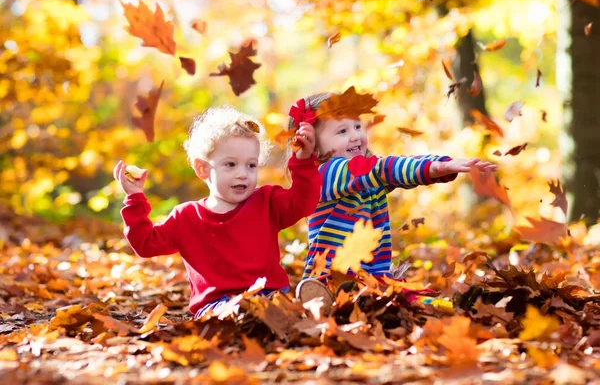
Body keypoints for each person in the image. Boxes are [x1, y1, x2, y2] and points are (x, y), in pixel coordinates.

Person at [288, 93, 497, 312]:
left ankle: (455, 306)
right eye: (342, 131)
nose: (355, 136)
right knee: (381, 296)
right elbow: (382, 170)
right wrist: (434, 168)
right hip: (331, 276)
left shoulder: (369, 175)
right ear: (316, 148)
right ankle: (322, 300)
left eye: (357, 127)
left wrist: (442, 164)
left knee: (407, 295)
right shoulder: (323, 175)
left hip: (374, 277)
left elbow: (398, 169)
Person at [113, 105, 321, 318]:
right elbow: (145, 244)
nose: (243, 174)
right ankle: (260, 319)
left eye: (251, 166)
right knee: (236, 313)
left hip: (269, 293)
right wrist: (135, 198)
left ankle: (303, 311)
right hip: (217, 305)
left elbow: (303, 203)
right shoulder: (185, 217)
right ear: (202, 168)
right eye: (230, 164)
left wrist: (304, 161)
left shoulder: (267, 201)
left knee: (279, 306)